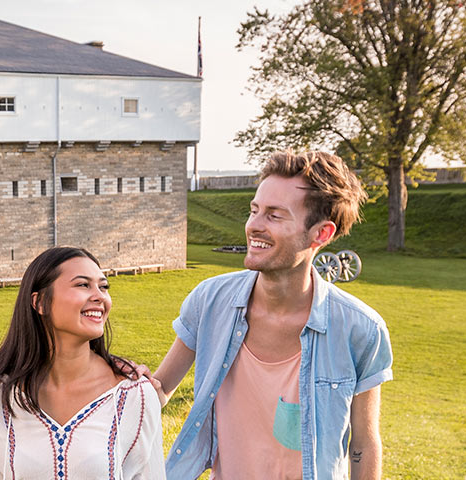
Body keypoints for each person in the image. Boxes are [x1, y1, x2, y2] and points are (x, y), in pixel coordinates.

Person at [153, 151, 393, 479]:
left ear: (321, 233)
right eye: (254, 211)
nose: (254, 226)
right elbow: (158, 391)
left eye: (274, 216)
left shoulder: (361, 329)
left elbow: (363, 443)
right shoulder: (210, 301)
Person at [0, 247, 165, 480]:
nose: (99, 296)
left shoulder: (134, 395)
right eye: (83, 285)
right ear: (40, 302)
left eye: (103, 287)